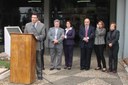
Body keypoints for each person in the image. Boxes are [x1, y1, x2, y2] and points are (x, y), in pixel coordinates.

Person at [24, 13, 46, 80]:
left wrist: (37, 37)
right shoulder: (27, 25)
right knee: (29, 61)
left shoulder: (42, 25)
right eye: (32, 17)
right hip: (29, 46)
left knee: (38, 61)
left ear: (37, 18)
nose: (33, 19)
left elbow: (43, 35)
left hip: (38, 46)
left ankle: (39, 75)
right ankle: (29, 75)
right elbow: (25, 35)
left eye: (34, 17)